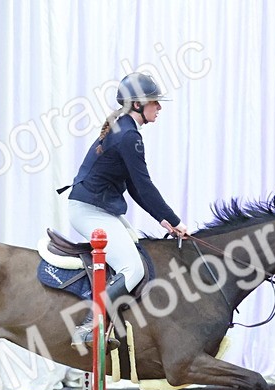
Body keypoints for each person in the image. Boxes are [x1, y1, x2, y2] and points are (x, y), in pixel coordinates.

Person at [62, 72, 189, 347]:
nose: (160, 107)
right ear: (137, 105)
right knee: (132, 269)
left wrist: (165, 221)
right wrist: (174, 220)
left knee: (135, 252)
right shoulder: (128, 136)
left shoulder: (124, 130)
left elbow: (133, 186)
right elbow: (143, 186)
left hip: (99, 207)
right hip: (89, 210)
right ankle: (89, 327)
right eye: (155, 102)